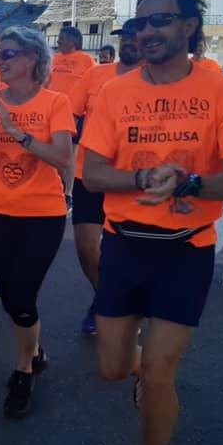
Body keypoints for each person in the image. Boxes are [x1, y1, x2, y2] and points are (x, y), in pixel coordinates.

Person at [81, 0, 223, 445]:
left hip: (187, 248)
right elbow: (92, 174)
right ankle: (139, 374)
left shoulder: (221, 91)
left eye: (160, 20)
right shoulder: (115, 92)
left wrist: (189, 183)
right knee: (114, 369)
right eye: (141, 22)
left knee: (160, 373)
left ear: (188, 26)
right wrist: (142, 176)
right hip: (123, 246)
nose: (147, 30)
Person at [0, 27, 74, 418]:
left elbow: (61, 157)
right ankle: (35, 350)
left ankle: (24, 370)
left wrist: (16, 133)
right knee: (12, 299)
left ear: (30, 60)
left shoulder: (55, 101)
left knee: (23, 297)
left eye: (7, 55)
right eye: (0, 55)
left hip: (44, 215)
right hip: (0, 213)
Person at [67, 27, 143, 335]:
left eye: (133, 36)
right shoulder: (96, 75)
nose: (128, 41)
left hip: (132, 178)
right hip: (90, 173)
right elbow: (69, 115)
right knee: (86, 246)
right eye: (124, 37)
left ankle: (118, 306)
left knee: (126, 249)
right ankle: (107, 299)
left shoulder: (157, 79)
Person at [49, 25, 95, 201]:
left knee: (70, 154)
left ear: (74, 41)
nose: (59, 40)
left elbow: (91, 85)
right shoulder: (53, 59)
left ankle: (67, 193)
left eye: (62, 37)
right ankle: (53, 185)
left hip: (73, 114)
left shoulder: (86, 60)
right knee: (51, 151)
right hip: (51, 111)